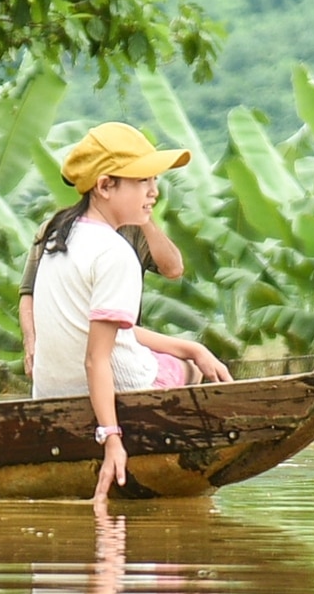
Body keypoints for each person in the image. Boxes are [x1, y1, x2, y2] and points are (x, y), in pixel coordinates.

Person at [28, 123, 232, 502]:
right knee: (184, 370)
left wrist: (191, 346)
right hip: (121, 390)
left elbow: (101, 333)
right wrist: (111, 438)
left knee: (185, 356)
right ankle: (170, 465)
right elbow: (96, 359)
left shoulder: (59, 236)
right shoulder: (114, 251)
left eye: (154, 180)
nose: (154, 192)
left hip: (50, 392)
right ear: (105, 186)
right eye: (142, 181)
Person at [19, 207, 182, 380]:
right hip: (96, 350)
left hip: (120, 343)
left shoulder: (133, 230)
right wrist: (30, 341)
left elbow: (173, 268)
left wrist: (144, 216)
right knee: (189, 367)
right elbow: (29, 293)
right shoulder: (56, 230)